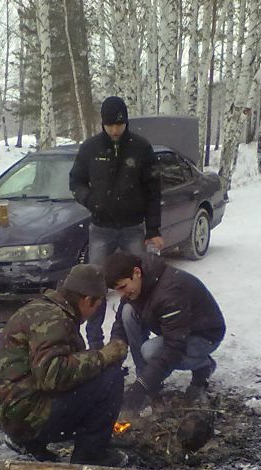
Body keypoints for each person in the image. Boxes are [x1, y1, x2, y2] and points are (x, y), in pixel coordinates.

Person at [0, 264, 130, 467]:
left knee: (93, 376)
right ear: (86, 300)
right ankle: (90, 455)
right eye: (97, 305)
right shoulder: (55, 320)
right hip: (23, 417)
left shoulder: (44, 309)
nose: (95, 311)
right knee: (111, 378)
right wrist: (102, 357)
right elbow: (52, 376)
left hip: (13, 410)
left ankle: (31, 442)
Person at [69, 96, 163, 350]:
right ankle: (96, 345)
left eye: (119, 125)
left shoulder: (141, 148)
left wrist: (153, 230)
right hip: (100, 229)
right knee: (95, 284)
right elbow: (75, 181)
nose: (114, 130)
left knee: (138, 283)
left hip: (133, 228)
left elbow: (154, 191)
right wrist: (90, 199)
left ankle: (137, 337)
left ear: (126, 122)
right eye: (109, 125)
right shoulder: (90, 148)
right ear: (102, 124)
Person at [104, 251, 225, 411]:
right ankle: (147, 378)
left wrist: (140, 387)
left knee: (151, 351)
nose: (122, 293)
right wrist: (112, 358)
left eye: (123, 287)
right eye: (117, 290)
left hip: (204, 335)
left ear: (137, 272)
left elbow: (174, 348)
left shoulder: (169, 292)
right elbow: (120, 324)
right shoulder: (136, 287)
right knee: (128, 312)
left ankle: (204, 365)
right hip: (177, 331)